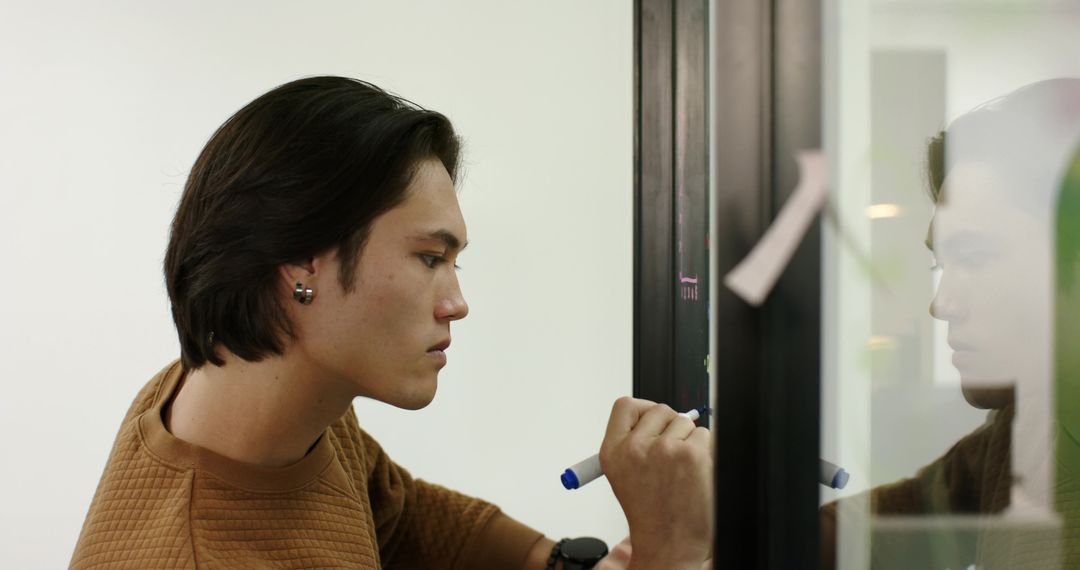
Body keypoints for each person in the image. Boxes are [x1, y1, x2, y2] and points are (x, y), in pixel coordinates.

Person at [69, 76, 714, 569]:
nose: (456, 302)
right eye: (429, 258)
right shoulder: (200, 552)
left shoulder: (260, 394)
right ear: (302, 262)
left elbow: (399, 516)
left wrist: (561, 562)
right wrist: (672, 555)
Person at [821, 79, 1080, 568]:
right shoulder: (1025, 427)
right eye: (942, 264)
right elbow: (893, 524)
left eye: (975, 257)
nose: (941, 304)